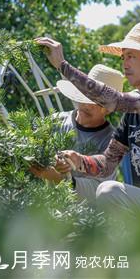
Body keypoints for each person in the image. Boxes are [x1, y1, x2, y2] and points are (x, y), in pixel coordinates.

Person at [35, 21, 140, 223]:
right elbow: (108, 163)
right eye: (123, 57)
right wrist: (79, 160)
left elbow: (116, 101)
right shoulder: (133, 114)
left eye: (131, 56)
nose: (124, 63)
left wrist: (63, 66)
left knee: (109, 191)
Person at [29, 64, 124, 202]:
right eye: (86, 96)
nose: (87, 104)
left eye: (96, 101)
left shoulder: (111, 141)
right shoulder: (57, 120)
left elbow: (99, 190)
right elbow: (29, 144)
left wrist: (58, 178)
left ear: (109, 108)